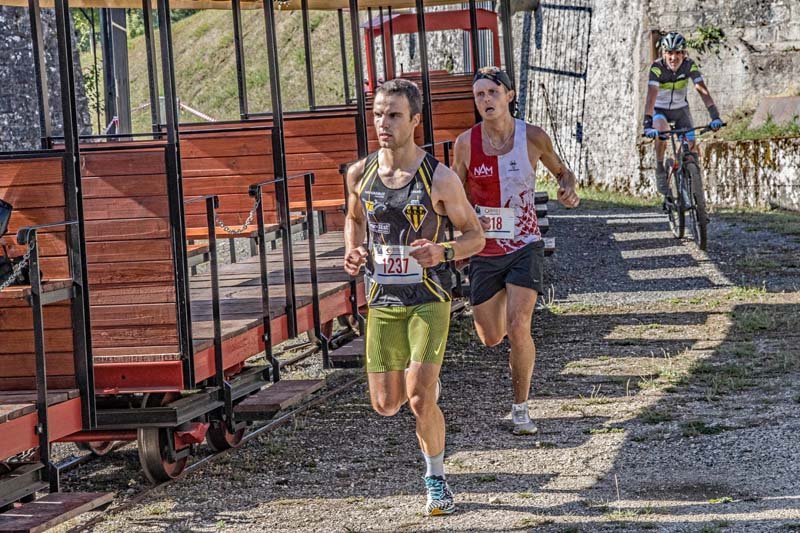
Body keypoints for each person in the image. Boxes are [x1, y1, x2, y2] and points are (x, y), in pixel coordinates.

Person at [343, 78, 484, 516]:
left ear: (415, 120)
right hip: (382, 299)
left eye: (394, 115)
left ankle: (436, 481)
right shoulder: (359, 174)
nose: (383, 124)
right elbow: (354, 219)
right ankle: (423, 380)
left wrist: (443, 251)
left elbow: (475, 236)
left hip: (429, 296)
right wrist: (353, 250)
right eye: (378, 115)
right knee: (386, 404)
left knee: (420, 398)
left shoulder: (439, 178)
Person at [451, 66, 579, 435]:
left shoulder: (533, 137)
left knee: (519, 325)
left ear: (509, 96)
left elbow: (562, 171)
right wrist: (457, 227)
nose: (486, 100)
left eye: (493, 92)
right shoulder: (466, 143)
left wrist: (568, 188)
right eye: (479, 95)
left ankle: (520, 409)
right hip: (484, 248)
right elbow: (452, 191)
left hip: (525, 243)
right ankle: (506, 298)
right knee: (490, 336)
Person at [643, 31, 724, 197]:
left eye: (678, 53)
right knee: (662, 133)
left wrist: (715, 116)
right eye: (669, 53)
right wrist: (647, 123)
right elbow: (651, 96)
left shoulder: (689, 65)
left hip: (681, 111)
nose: (673, 57)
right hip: (660, 111)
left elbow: (702, 90)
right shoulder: (657, 68)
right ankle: (660, 168)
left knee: (691, 145)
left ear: (684, 53)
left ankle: (690, 182)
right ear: (663, 53)